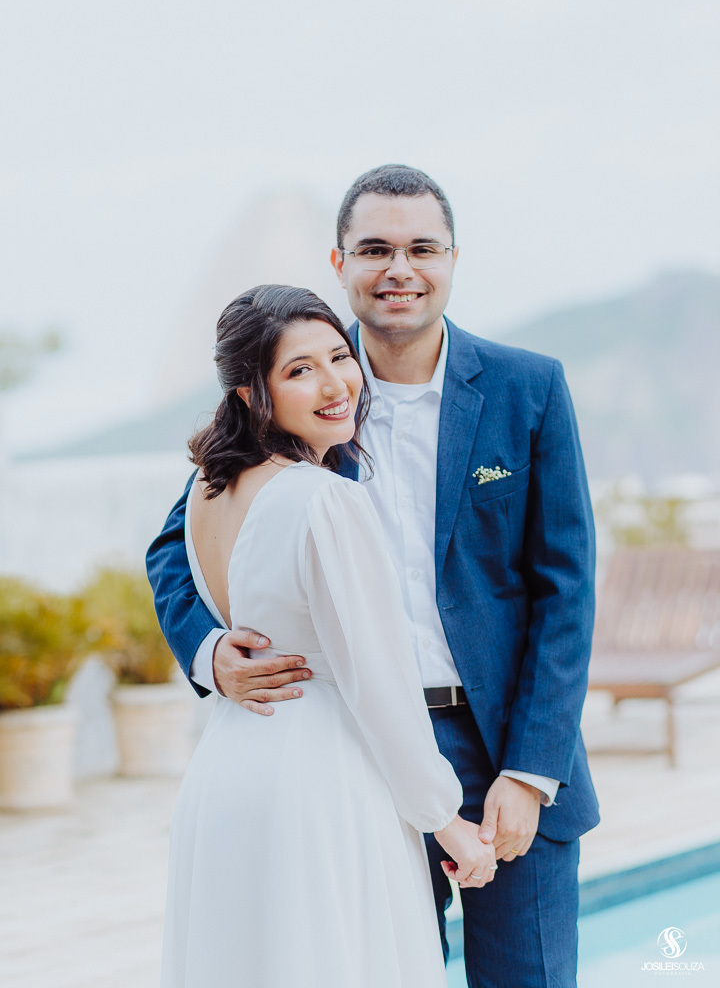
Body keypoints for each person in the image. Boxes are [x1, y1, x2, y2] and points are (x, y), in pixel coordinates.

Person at [148, 165, 600, 988]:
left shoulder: (527, 388)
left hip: (506, 750)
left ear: (453, 259)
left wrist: (532, 772)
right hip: (355, 752)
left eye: (422, 247)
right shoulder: (294, 393)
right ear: (340, 263)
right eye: (376, 249)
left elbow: (564, 588)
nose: (400, 268)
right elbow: (174, 544)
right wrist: (210, 651)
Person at [156, 283, 497, 988]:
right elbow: (379, 685)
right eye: (298, 370)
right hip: (322, 780)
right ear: (252, 394)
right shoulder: (325, 498)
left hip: (226, 769)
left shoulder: (208, 490)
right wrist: (446, 818)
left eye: (338, 357)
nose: (335, 383)